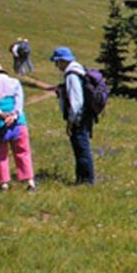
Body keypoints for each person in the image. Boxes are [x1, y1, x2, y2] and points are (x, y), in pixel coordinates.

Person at [0, 63, 36, 191]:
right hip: (18, 122)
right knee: (23, 152)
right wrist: (14, 115)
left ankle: (4, 183)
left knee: (0, 155)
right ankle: (29, 181)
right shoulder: (15, 82)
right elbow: (19, 102)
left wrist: (1, 114)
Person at [50, 47, 95, 185]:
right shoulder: (80, 69)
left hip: (79, 118)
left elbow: (76, 102)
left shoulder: (72, 75)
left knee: (82, 149)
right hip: (86, 115)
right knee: (82, 147)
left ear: (63, 61)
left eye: (57, 62)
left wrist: (70, 121)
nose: (56, 66)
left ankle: (85, 181)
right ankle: (83, 179)